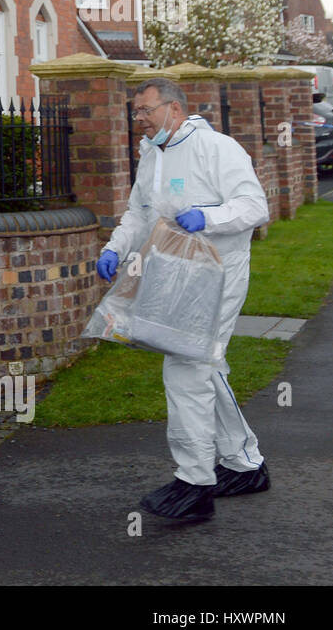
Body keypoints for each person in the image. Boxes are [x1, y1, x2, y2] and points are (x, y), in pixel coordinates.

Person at [95, 78, 270, 522]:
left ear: (173, 110)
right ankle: (244, 463)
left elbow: (254, 206)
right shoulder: (152, 153)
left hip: (218, 275)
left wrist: (207, 217)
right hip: (172, 275)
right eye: (135, 112)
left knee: (186, 366)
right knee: (205, 365)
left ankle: (194, 482)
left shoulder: (219, 149)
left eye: (145, 111)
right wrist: (114, 247)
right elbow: (139, 211)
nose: (138, 120)